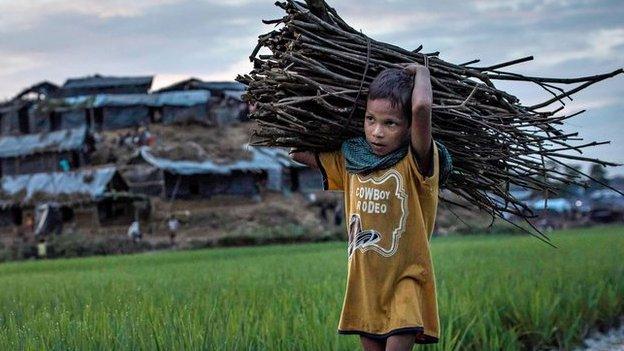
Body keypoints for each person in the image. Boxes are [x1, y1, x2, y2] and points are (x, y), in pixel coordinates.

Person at [290, 63, 449, 350]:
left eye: (391, 123)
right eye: (370, 119)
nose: (377, 132)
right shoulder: (350, 161)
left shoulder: (417, 162)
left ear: (409, 128)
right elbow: (296, 151)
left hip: (405, 281)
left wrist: (421, 71)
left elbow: (422, 107)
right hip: (366, 284)